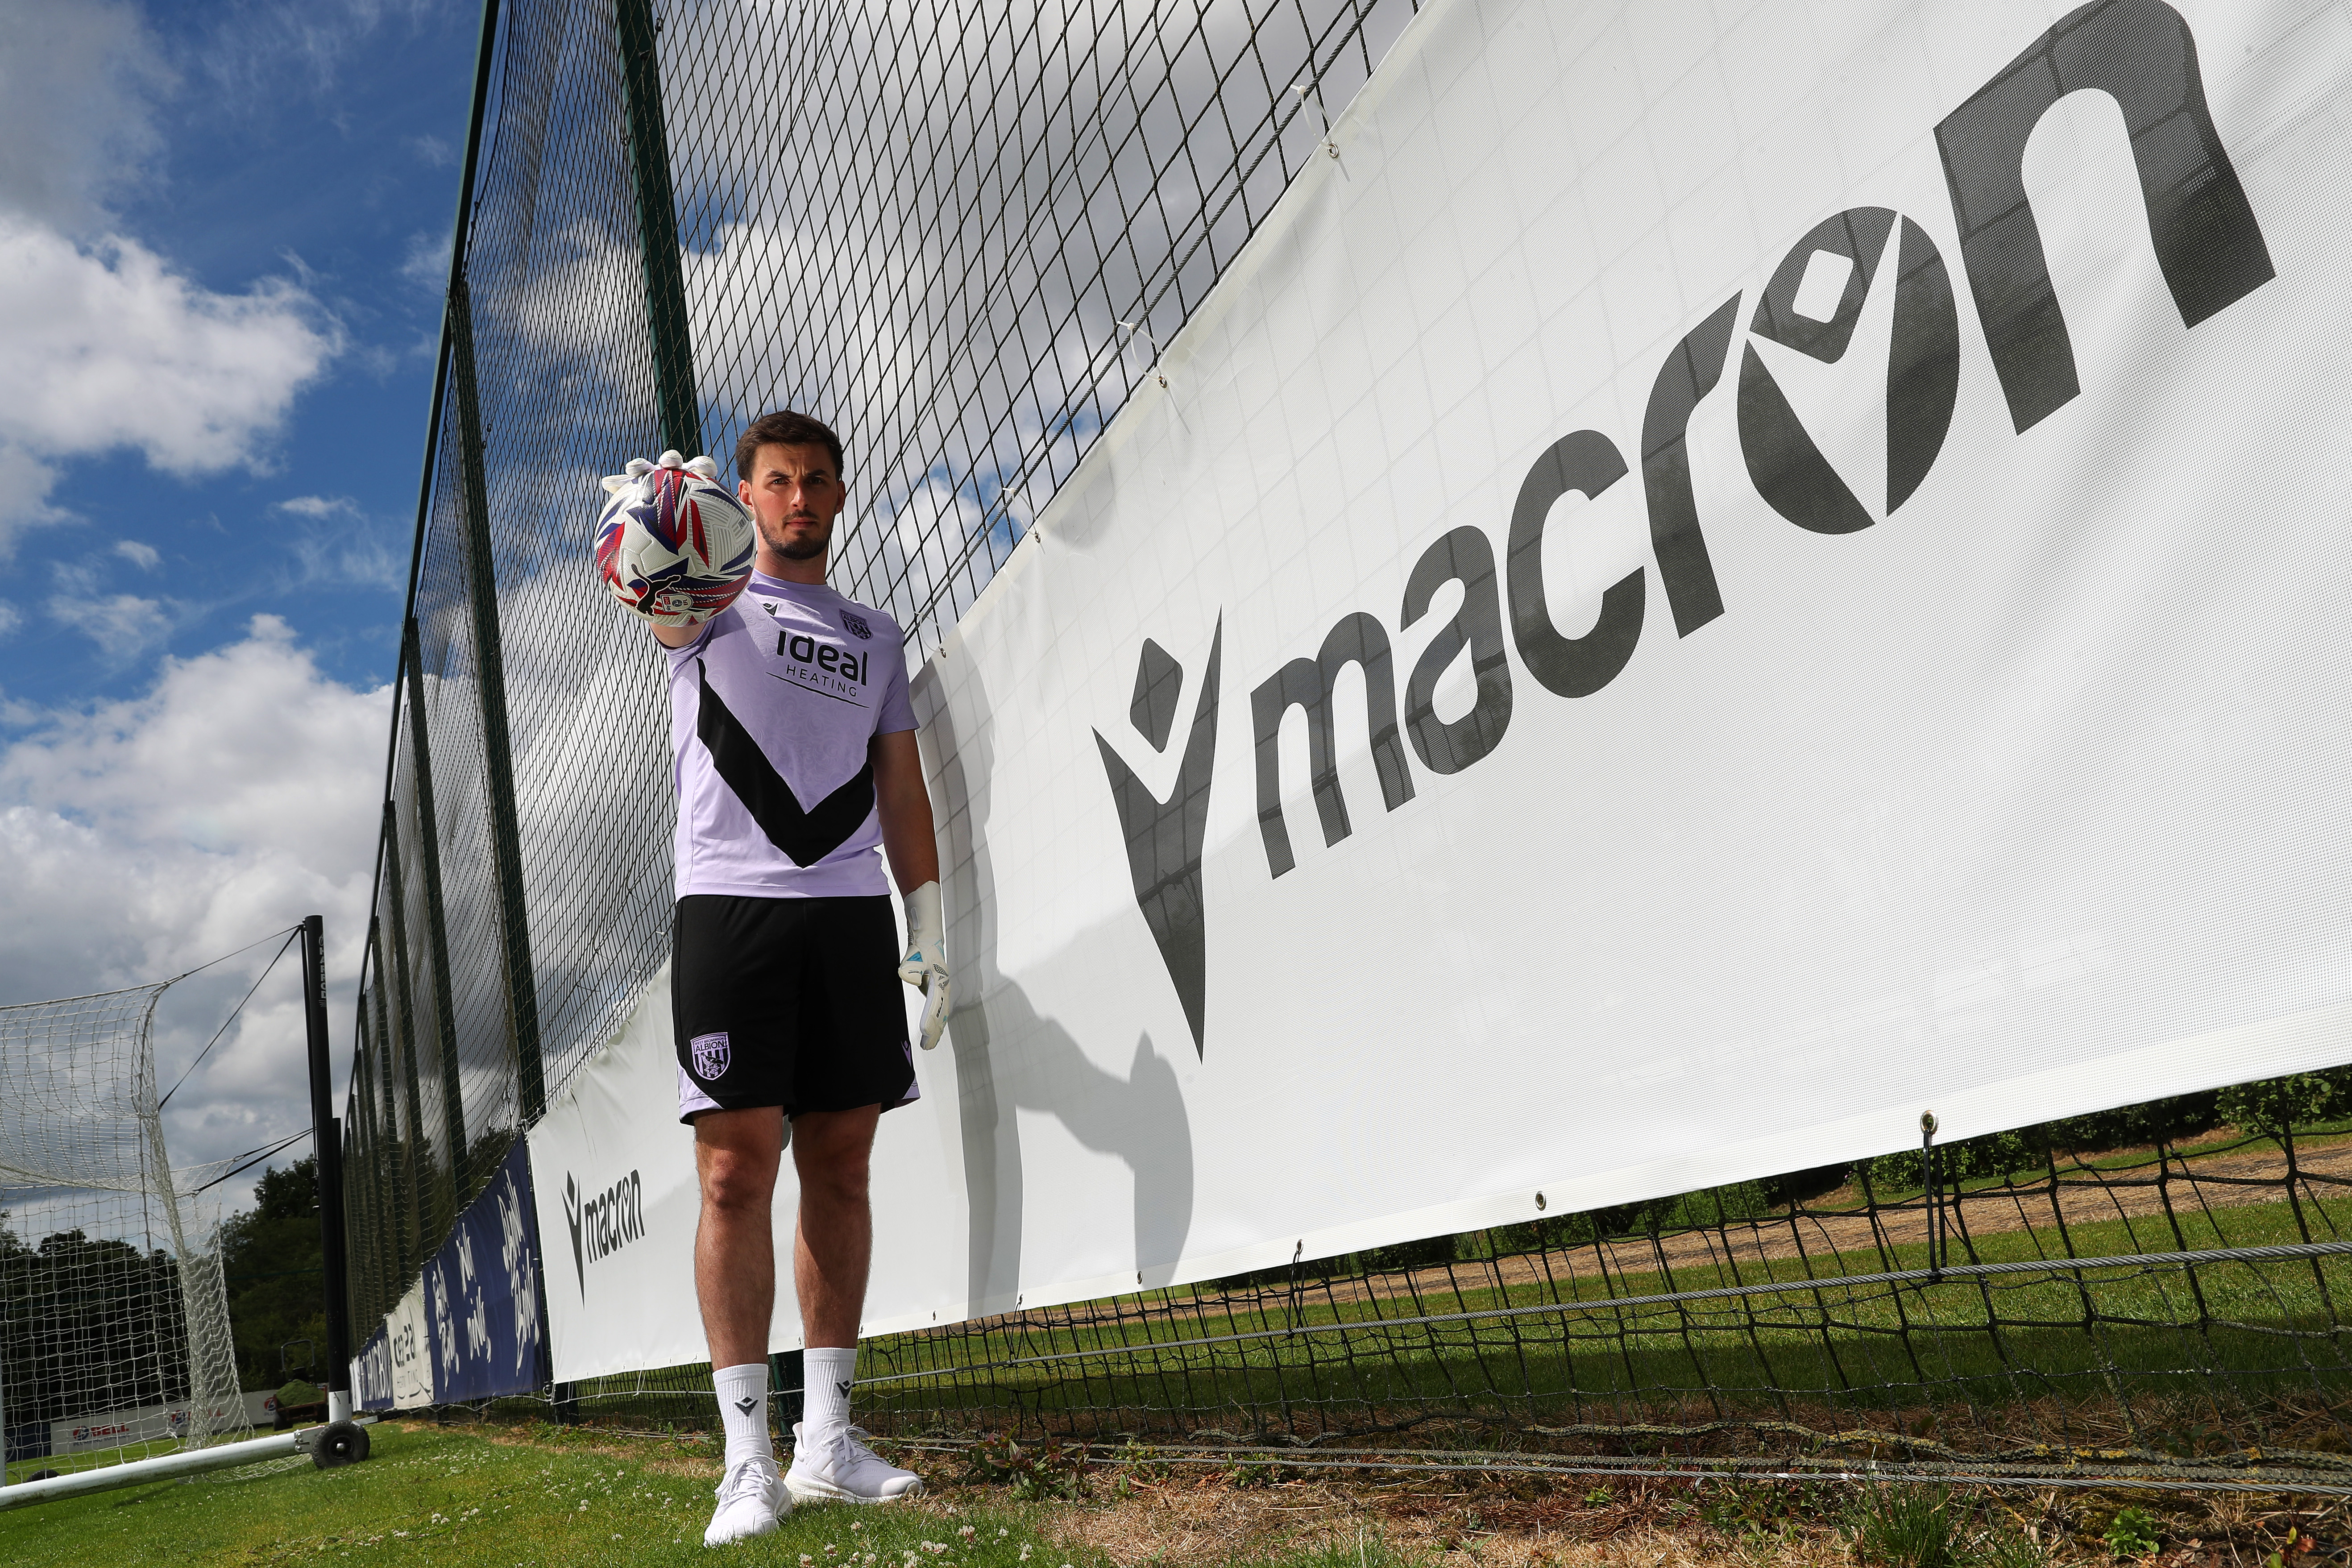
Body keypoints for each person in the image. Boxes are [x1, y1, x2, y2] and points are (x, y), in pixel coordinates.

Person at [621, 410, 952, 1545]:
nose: (798, 496)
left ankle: (827, 1443)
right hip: (730, 906)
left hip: (852, 913)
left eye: (816, 480)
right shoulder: (703, 605)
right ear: (746, 499)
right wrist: (659, 525)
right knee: (730, 1174)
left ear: (838, 495)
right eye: (777, 481)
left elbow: (900, 789)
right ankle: (745, 1461)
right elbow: (651, 584)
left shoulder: (876, 635)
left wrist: (929, 922)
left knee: (843, 1164)